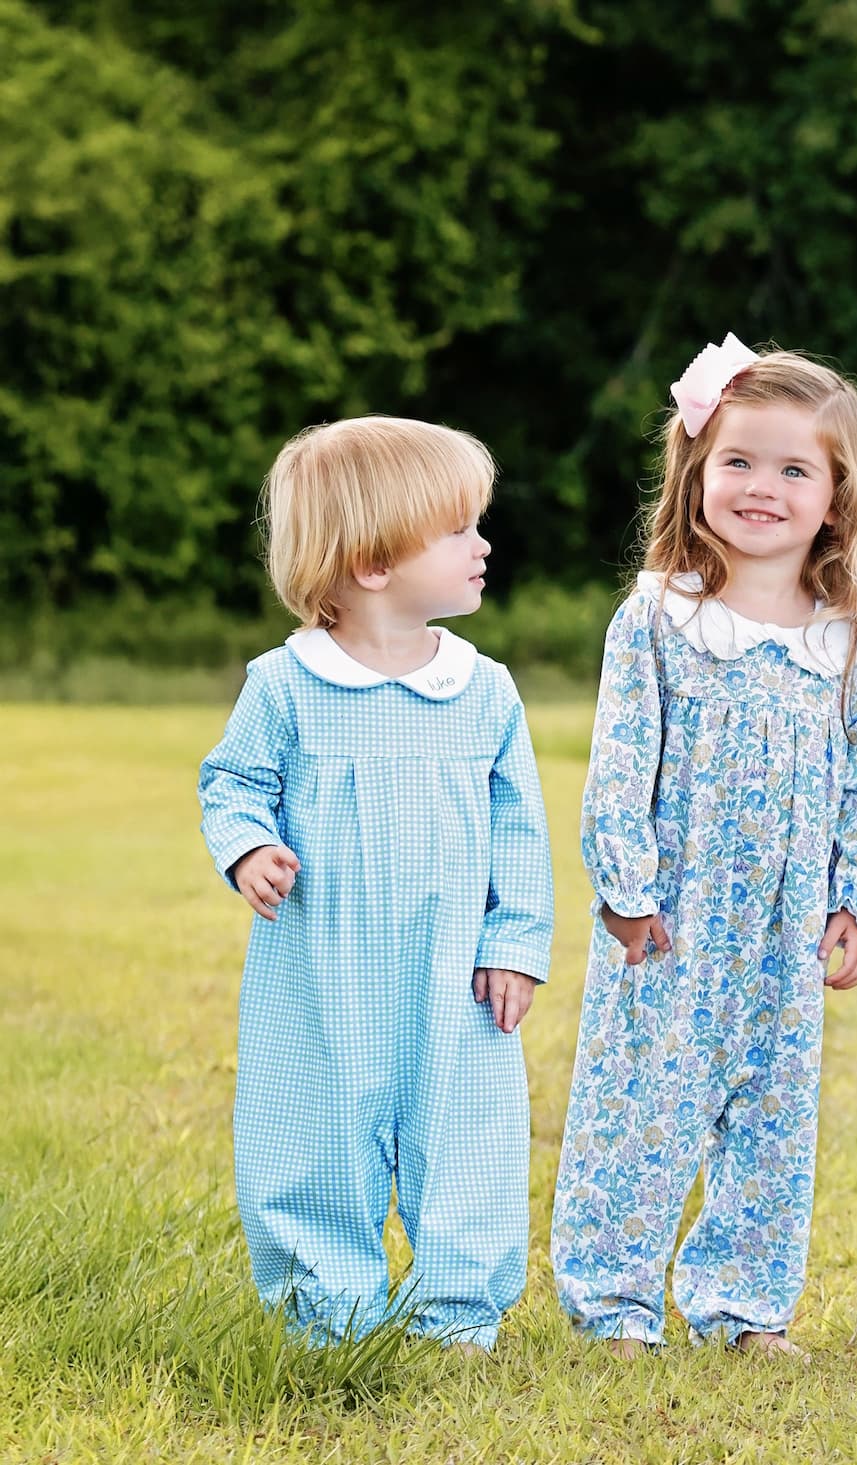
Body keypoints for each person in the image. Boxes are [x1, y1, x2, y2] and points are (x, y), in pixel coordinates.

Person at [550, 337, 857, 1357]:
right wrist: (625, 885)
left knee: (771, 1115)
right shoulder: (661, 617)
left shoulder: (849, 640)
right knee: (641, 1103)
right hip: (672, 913)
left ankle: (743, 1306)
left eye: (795, 469)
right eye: (739, 462)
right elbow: (622, 757)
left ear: (836, 498)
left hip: (787, 925)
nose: (763, 486)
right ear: (697, 474)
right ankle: (613, 1303)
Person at [198, 416, 554, 1351]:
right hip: (318, 970)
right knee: (312, 1132)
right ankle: (329, 1315)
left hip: (457, 976)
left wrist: (514, 943)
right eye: (458, 529)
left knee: (467, 1135)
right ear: (372, 562)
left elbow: (519, 828)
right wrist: (249, 847)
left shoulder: (483, 690)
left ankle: (458, 1317)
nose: (483, 545)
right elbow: (233, 782)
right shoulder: (285, 685)